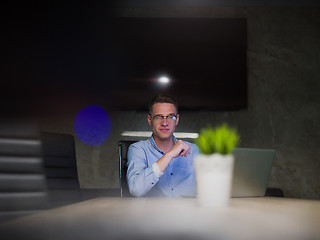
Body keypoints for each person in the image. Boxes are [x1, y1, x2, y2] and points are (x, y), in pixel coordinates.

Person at [126, 94, 198, 197]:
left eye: (170, 117)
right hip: (152, 212)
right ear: (149, 120)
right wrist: (169, 155)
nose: (165, 123)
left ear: (177, 119)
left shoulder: (194, 150)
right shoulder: (138, 149)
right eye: (158, 117)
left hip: (188, 212)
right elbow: (136, 190)